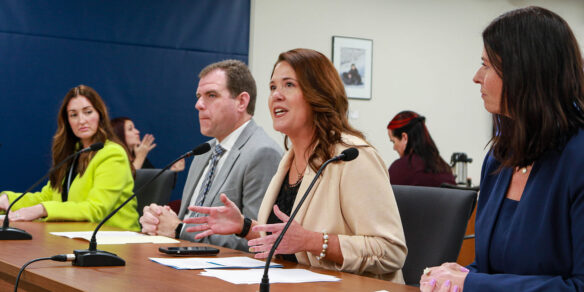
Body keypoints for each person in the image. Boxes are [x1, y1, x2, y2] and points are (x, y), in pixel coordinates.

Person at [185, 49, 407, 281]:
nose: (276, 95)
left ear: (318, 93)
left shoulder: (352, 157)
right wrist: (243, 226)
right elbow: (288, 242)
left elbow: (391, 251)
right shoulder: (289, 159)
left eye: (288, 85)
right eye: (272, 87)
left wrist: (313, 241)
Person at [420, 6, 584, 292]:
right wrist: (456, 276)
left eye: (487, 65)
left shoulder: (577, 159)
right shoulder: (499, 157)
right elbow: (493, 270)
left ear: (526, 71)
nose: (476, 76)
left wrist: (472, 282)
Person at [139, 60, 282, 252]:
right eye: (198, 96)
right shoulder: (204, 151)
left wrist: (178, 229)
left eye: (211, 95)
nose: (198, 105)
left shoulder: (262, 153)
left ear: (241, 101)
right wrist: (159, 221)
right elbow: (187, 221)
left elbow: (259, 240)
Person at [0, 85, 140, 231]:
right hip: (75, 236)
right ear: (67, 121)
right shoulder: (73, 153)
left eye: (88, 112)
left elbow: (96, 209)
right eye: (74, 115)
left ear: (100, 114)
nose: (81, 120)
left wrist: (43, 209)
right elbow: (48, 197)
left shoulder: (112, 153)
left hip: (117, 240)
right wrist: (8, 200)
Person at [386, 111, 455, 187]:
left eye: (393, 141)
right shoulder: (445, 169)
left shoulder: (399, 169)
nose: (394, 148)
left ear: (404, 137)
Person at [111, 117, 185, 171]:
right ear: (119, 134)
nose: (137, 131)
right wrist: (140, 157)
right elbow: (127, 182)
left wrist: (172, 171)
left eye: (135, 128)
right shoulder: (114, 158)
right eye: (130, 129)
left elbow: (154, 183)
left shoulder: (139, 156)